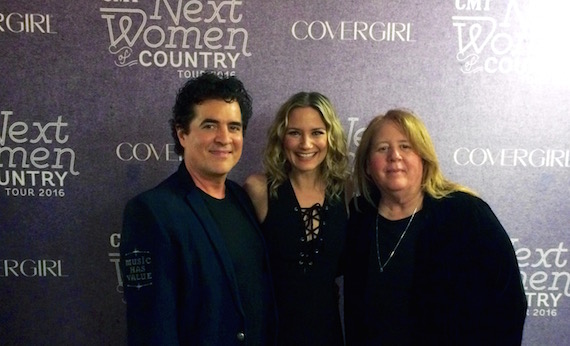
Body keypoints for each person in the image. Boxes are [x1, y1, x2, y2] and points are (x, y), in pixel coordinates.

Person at [344, 109, 527, 345]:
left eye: (406, 146)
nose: (394, 156)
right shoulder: (360, 218)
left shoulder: (466, 214)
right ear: (368, 165)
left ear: (424, 159)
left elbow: (509, 303)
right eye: (382, 148)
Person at [120, 72, 276, 345]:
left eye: (234, 127)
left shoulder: (242, 198)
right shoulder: (152, 212)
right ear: (182, 133)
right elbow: (151, 328)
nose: (224, 138)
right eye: (209, 125)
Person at [244, 92, 349, 346]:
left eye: (317, 132)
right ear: (281, 138)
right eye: (294, 133)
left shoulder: (347, 190)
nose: (306, 144)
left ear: (330, 137)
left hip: (328, 333)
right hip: (273, 333)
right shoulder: (258, 189)